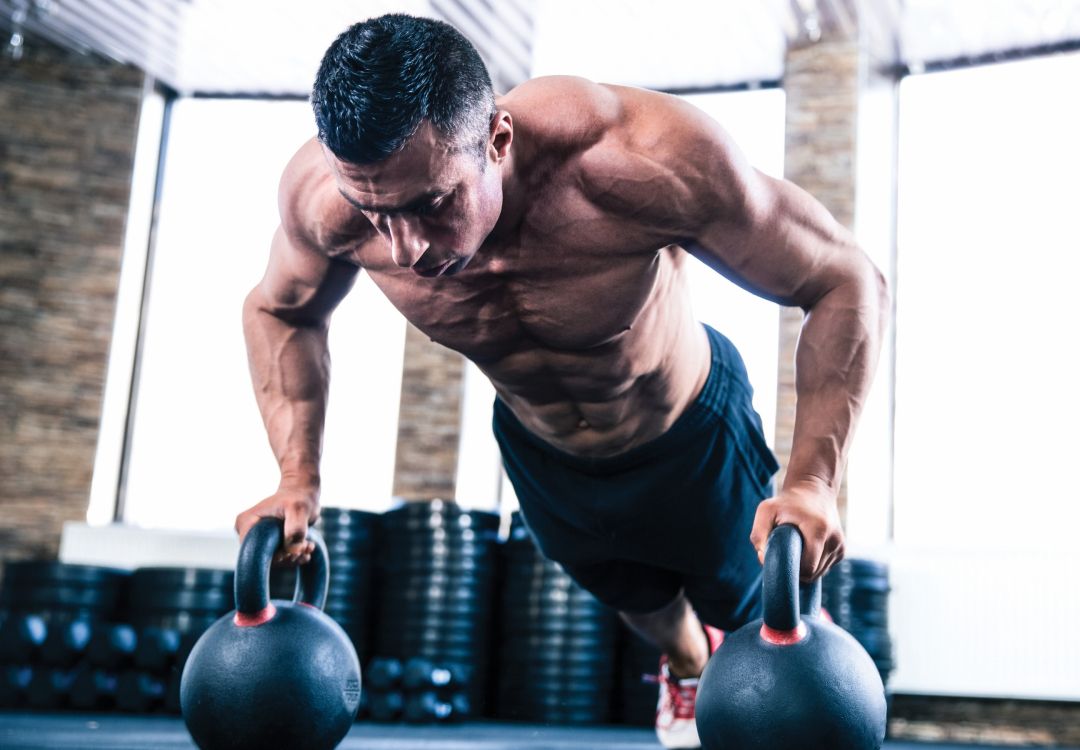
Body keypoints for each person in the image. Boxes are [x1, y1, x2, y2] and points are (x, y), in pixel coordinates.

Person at [234, 13, 887, 748]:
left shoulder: (634, 160)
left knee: (753, 613)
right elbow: (279, 311)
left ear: (497, 139)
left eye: (432, 204)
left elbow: (843, 280)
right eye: (376, 213)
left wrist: (812, 483)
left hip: (687, 431)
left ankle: (766, 638)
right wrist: (297, 477)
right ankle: (684, 664)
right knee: (633, 595)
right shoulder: (325, 203)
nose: (407, 249)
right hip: (542, 450)